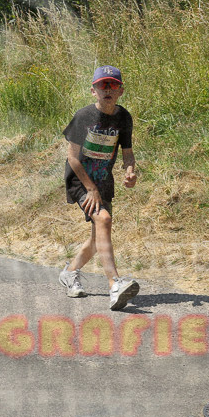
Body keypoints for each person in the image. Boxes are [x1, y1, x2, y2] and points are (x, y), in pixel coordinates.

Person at [58, 65, 140, 311]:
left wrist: (130, 171)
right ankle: (115, 285)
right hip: (80, 179)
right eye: (102, 85)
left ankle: (69, 272)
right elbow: (73, 158)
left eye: (113, 85)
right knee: (103, 220)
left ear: (121, 91)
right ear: (93, 91)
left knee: (97, 239)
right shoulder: (83, 117)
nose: (107, 90)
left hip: (104, 180)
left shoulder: (124, 117)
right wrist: (90, 189)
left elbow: (127, 154)